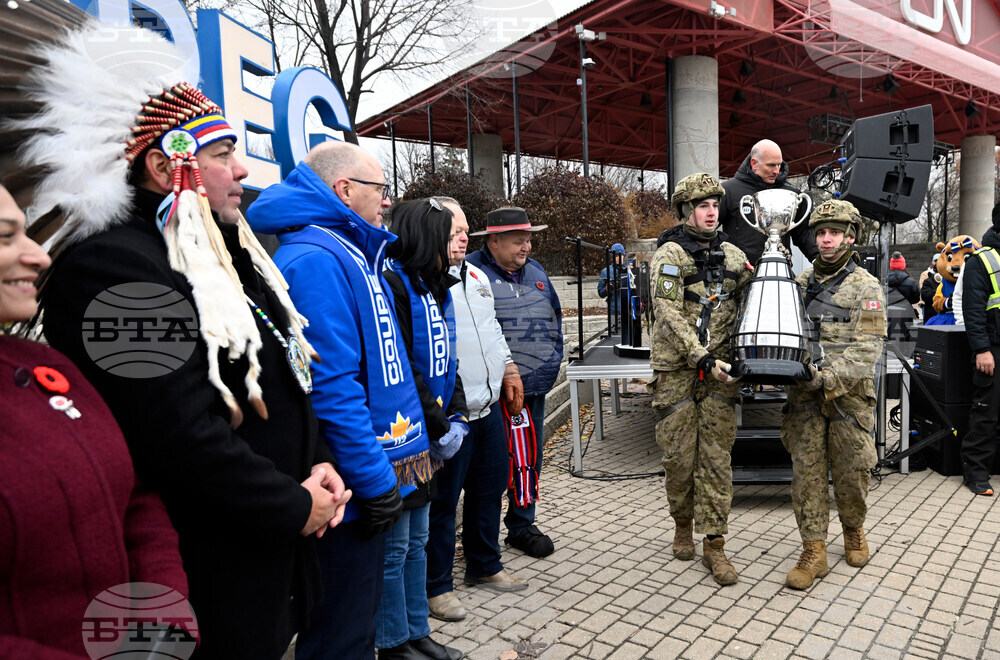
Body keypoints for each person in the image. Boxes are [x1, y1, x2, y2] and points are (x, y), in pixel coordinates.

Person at [30, 25, 348, 659]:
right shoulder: (110, 268)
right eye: (224, 152)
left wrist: (318, 464)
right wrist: (290, 504)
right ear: (162, 164)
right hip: (207, 575)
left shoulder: (224, 254)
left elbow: (288, 372)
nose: (244, 168)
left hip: (273, 551)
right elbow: (174, 434)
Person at [246, 141, 426, 659]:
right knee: (341, 634)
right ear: (344, 191)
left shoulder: (345, 249)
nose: (387, 202)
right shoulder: (317, 258)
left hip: (358, 469)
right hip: (345, 481)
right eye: (380, 189)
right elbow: (332, 386)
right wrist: (375, 480)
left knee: (356, 626)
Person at [0, 184, 192, 659]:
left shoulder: (50, 366)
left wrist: (159, 630)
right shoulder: (113, 261)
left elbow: (133, 498)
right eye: (7, 237)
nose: (39, 257)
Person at [426, 197, 529, 623]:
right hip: (454, 415)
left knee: (489, 491)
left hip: (488, 409)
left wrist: (509, 369)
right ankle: (436, 586)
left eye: (465, 230)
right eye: (455, 231)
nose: (464, 238)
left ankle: (484, 566)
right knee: (444, 504)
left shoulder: (475, 275)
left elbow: (491, 330)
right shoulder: (423, 280)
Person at [647, 173, 753, 586]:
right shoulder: (669, 254)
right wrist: (700, 356)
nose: (711, 212)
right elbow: (668, 313)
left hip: (720, 373)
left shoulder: (731, 254)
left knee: (716, 458)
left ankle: (715, 544)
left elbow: (753, 294)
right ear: (686, 210)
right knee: (678, 457)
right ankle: (681, 523)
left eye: (715, 205)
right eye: (702, 205)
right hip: (677, 369)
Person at [376, 198, 469, 660]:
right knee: (395, 550)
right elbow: (404, 365)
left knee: (417, 541)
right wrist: (438, 420)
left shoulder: (433, 286)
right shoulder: (393, 284)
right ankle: (394, 642)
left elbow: (445, 358)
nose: (457, 243)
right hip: (400, 438)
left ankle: (417, 632)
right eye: (448, 234)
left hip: (427, 436)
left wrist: (454, 414)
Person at [781, 200, 885, 590]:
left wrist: (827, 378)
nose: (826, 239)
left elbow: (868, 347)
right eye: (821, 233)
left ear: (850, 236)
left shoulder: (867, 286)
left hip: (849, 399)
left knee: (852, 472)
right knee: (806, 475)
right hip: (804, 398)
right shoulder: (800, 283)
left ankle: (854, 529)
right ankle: (813, 550)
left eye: (834, 232)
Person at [467, 207, 563, 558]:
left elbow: (555, 317)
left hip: (533, 386)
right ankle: (483, 537)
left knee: (529, 459)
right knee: (492, 467)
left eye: (529, 239)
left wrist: (551, 360)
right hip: (490, 394)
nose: (527, 247)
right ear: (494, 240)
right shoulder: (471, 273)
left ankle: (522, 524)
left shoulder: (536, 271)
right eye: (519, 240)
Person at [716, 139, 819, 267]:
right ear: (754, 163)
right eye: (771, 165)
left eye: (779, 165)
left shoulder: (791, 194)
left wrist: (820, 262)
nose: (776, 171)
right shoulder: (728, 191)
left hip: (781, 272)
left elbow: (804, 234)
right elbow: (708, 229)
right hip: (739, 278)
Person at [956, 204, 1000, 496]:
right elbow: (972, 311)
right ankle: (976, 473)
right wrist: (982, 350)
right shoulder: (981, 261)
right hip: (993, 350)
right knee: (987, 412)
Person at [886, 251, 919, 341]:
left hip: (888, 312)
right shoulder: (910, 281)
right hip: (906, 313)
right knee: (905, 339)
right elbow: (915, 299)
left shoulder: (884, 281)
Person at [598, 243, 627, 317]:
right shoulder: (606, 271)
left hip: (628, 310)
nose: (619, 258)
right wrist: (607, 288)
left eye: (621, 255)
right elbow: (601, 293)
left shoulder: (629, 270)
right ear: (612, 256)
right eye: (616, 255)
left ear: (624, 255)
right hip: (614, 311)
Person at [919, 253, 940, 323]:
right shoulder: (925, 274)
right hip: (928, 306)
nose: (937, 262)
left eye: (939, 260)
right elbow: (923, 289)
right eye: (935, 260)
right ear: (932, 261)